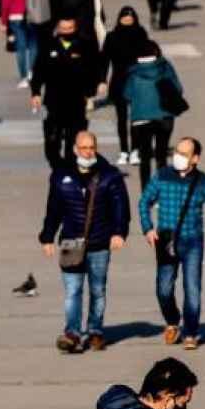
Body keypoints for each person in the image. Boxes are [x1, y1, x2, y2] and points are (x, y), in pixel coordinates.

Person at [40, 130, 130, 353]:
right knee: (73, 291)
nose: (88, 152)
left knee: (98, 290)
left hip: (100, 243)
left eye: (91, 148)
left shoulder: (110, 176)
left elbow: (121, 207)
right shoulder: (61, 176)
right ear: (74, 150)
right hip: (71, 243)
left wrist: (119, 232)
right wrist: (47, 237)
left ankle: (95, 331)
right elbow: (53, 209)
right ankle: (72, 333)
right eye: (83, 148)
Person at [136, 138, 205, 350]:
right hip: (166, 240)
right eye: (177, 151)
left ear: (195, 158)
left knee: (192, 288)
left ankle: (191, 332)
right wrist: (148, 228)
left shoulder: (202, 181)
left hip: (192, 242)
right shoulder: (162, 176)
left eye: (184, 153)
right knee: (164, 289)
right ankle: (172, 321)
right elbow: (144, 201)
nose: (178, 156)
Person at [29, 15, 100, 170]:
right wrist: (35, 92)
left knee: (72, 142)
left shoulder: (84, 45)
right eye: (64, 29)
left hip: (76, 103)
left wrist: (90, 93)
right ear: (58, 29)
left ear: (75, 28)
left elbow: (93, 70)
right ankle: (57, 166)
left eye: (70, 29)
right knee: (51, 142)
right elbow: (38, 71)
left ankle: (68, 171)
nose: (67, 31)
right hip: (53, 102)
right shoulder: (49, 46)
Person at [120, 31, 183, 185]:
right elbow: (178, 88)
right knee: (162, 156)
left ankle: (146, 192)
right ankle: (163, 192)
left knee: (145, 157)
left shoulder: (133, 72)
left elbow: (127, 95)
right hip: (165, 117)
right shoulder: (165, 66)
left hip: (141, 119)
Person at [101, 6, 145, 165]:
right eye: (124, 16)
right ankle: (123, 151)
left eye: (130, 16)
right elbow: (104, 60)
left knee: (136, 118)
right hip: (119, 81)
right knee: (121, 119)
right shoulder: (112, 37)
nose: (127, 19)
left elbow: (148, 55)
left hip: (137, 81)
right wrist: (102, 80)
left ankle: (135, 150)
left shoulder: (140, 34)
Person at [0, 0, 36, 86]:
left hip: (15, 17)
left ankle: (24, 76)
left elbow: (5, 4)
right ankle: (32, 70)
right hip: (32, 16)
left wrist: (3, 22)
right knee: (33, 45)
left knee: (20, 47)